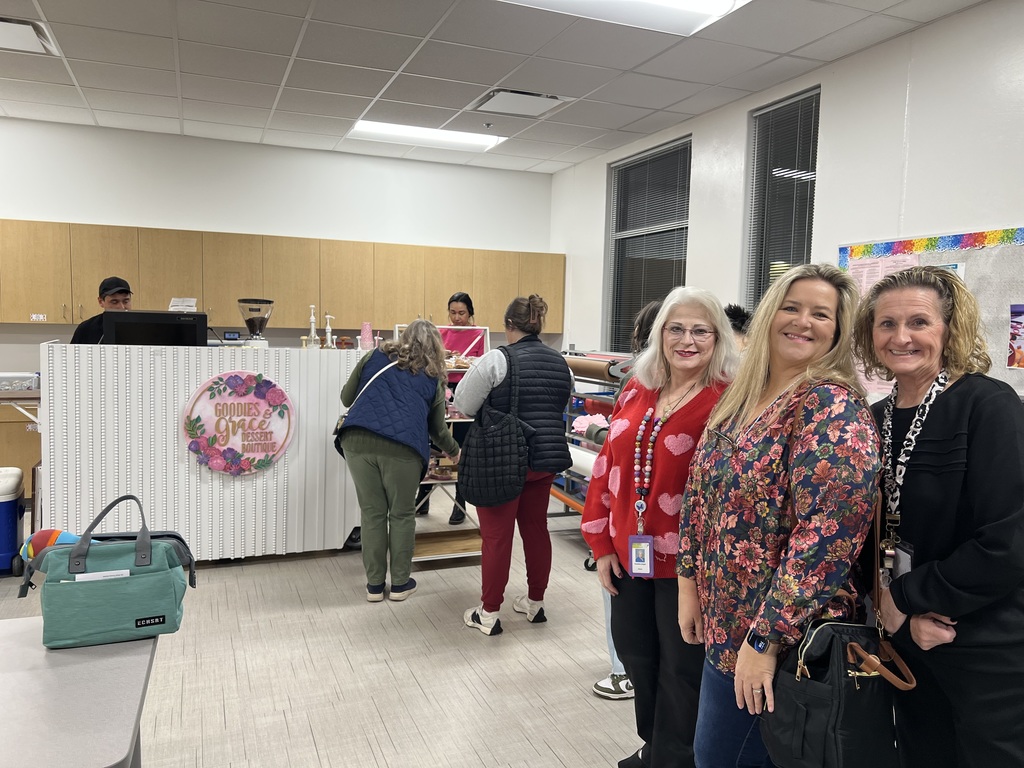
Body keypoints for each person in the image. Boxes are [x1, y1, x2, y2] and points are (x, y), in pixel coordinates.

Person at [677, 263, 879, 768]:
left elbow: (827, 539)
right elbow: (700, 493)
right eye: (791, 307)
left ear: (839, 330)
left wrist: (765, 639)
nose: (803, 321)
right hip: (725, 633)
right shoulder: (743, 397)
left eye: (821, 314)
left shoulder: (831, 407)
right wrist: (687, 583)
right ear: (769, 314)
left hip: (784, 650)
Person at [853, 266, 1024, 767]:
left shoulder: (987, 405)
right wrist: (899, 616)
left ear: (949, 330)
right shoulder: (876, 415)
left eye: (919, 322)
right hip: (905, 638)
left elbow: (1009, 543)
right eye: (886, 324)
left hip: (982, 643)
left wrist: (908, 599)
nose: (901, 337)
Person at [582, 287, 739, 768]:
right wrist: (601, 542)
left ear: (718, 338)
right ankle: (655, 745)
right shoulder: (637, 388)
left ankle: (678, 756)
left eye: (700, 330)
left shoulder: (729, 397)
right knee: (637, 656)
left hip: (689, 567)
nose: (686, 340)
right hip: (630, 555)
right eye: (676, 328)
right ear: (660, 334)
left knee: (682, 667)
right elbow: (607, 465)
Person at [454, 295, 572, 636]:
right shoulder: (560, 362)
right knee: (536, 529)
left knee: (496, 536)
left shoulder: (496, 360)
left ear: (509, 326)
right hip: (544, 459)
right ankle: (535, 604)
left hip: (504, 459)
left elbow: (463, 404)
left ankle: (489, 612)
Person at [338, 319, 460, 603]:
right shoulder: (432, 375)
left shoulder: (374, 355)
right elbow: (437, 429)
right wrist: (454, 451)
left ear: (404, 337)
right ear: (436, 347)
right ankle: (401, 584)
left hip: (357, 440)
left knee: (372, 513)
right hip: (402, 447)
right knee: (402, 514)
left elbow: (346, 398)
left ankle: (374, 586)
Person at [593, 299, 662, 702]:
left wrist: (597, 433)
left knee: (622, 601)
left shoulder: (637, 379)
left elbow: (621, 448)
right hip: (638, 527)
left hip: (635, 525)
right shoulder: (642, 382)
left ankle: (624, 672)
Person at [416, 291, 485, 524]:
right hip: (440, 390)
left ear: (471, 314)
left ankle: (460, 502)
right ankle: (423, 497)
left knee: (461, 446)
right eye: (453, 312)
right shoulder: (440, 333)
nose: (457, 318)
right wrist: (442, 355)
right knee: (435, 443)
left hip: (466, 391)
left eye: (462, 313)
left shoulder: (477, 334)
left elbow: (480, 365)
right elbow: (428, 358)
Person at [70, 276, 132, 343]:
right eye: (114, 302)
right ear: (101, 302)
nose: (122, 307)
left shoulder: (142, 327)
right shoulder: (86, 329)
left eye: (126, 301)